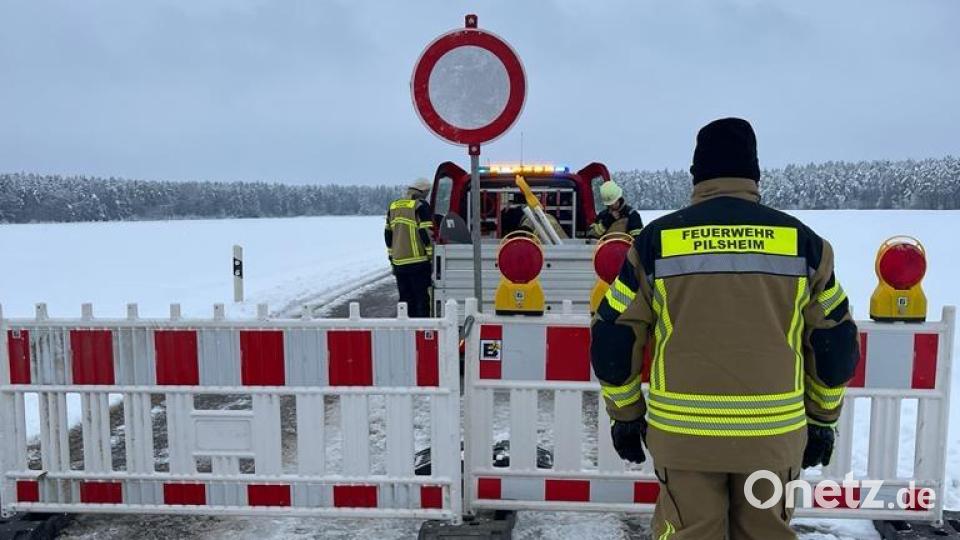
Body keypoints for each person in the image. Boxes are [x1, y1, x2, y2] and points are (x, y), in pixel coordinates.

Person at [590, 118, 860, 539]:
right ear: (755, 174)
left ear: (697, 174)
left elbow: (614, 333)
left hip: (684, 439)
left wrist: (626, 415)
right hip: (773, 438)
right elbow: (835, 342)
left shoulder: (655, 244)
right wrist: (823, 419)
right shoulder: (804, 244)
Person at [385, 178, 434, 317]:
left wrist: (391, 256)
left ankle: (408, 331)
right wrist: (431, 256)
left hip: (399, 262)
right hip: (418, 261)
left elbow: (387, 234)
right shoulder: (420, 206)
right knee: (421, 300)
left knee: (405, 299)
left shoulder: (394, 206)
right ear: (423, 191)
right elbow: (426, 233)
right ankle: (422, 331)